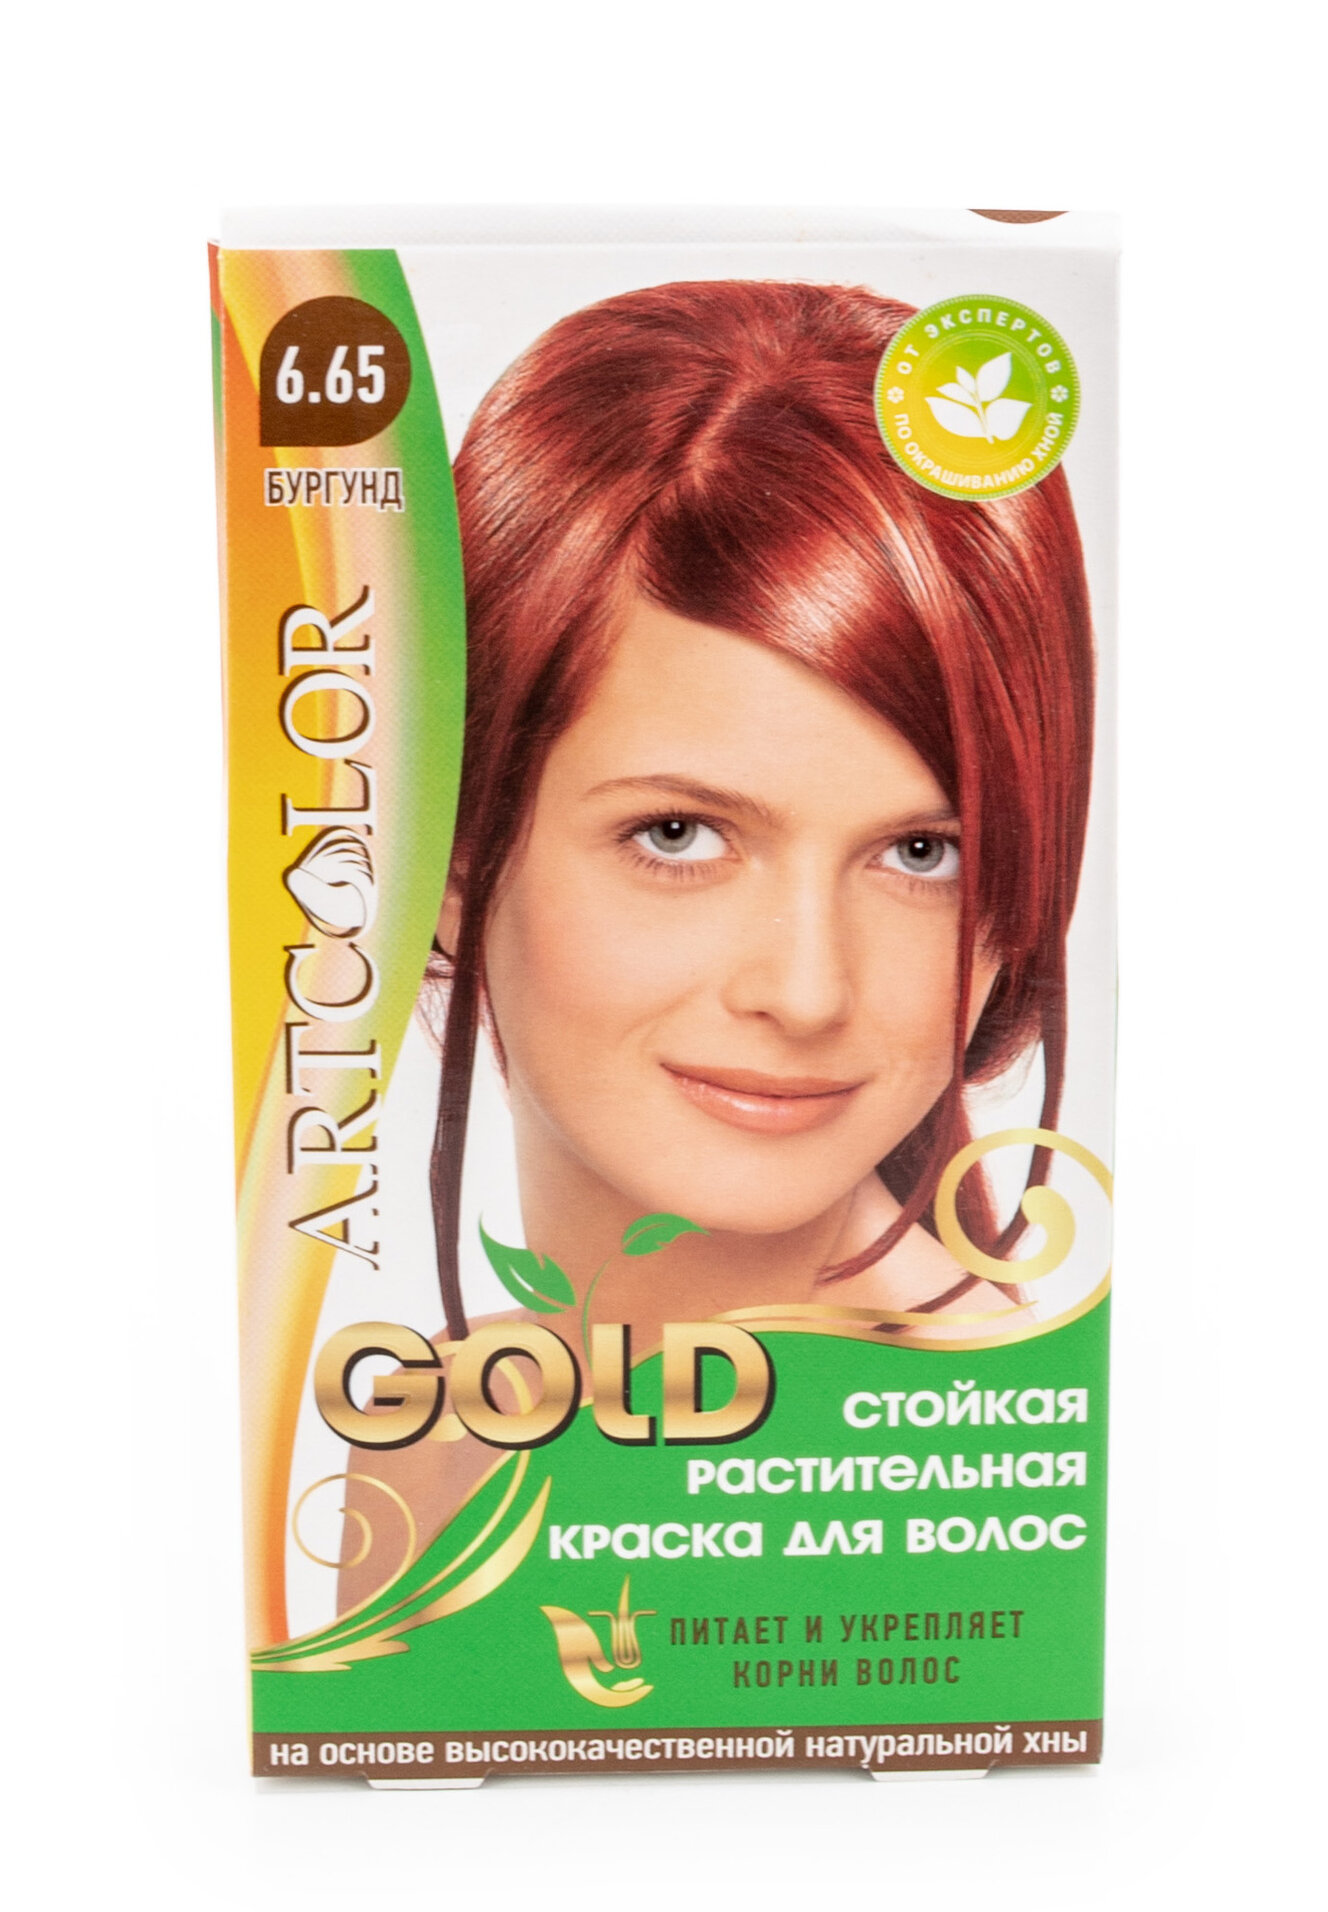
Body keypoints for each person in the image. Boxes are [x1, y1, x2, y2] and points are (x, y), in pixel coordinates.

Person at [342, 279, 1095, 1599]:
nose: (807, 990)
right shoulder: (433, 1438)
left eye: (924, 854)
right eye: (681, 834)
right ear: (451, 864)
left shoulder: (947, 1508)